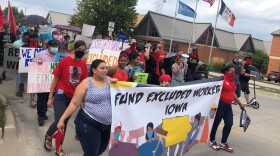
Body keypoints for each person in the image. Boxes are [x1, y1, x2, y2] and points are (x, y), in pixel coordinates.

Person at [57, 59, 117, 156]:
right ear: (94, 70)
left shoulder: (109, 81)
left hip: (106, 126)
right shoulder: (86, 83)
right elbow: (74, 103)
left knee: (99, 151)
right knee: (92, 153)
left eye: (106, 68)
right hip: (88, 124)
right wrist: (62, 119)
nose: (105, 70)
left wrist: (118, 84)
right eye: (102, 68)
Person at [44, 40, 88, 155]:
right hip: (60, 94)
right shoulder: (64, 61)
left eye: (84, 50)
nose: (81, 52)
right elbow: (55, 79)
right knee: (60, 121)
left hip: (73, 98)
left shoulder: (83, 64)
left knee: (65, 122)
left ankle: (59, 145)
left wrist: (82, 99)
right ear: (74, 49)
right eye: (79, 50)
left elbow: (84, 83)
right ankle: (50, 137)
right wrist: (50, 97)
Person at [209, 65, 245, 153]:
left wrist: (240, 104)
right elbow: (212, 90)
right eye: (231, 71)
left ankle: (223, 143)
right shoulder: (221, 80)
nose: (233, 73)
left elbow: (233, 93)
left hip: (228, 105)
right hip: (220, 104)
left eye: (234, 72)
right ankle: (211, 140)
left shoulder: (232, 81)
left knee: (229, 123)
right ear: (226, 72)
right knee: (216, 123)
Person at [33, 40, 59, 126]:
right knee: (41, 98)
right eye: (53, 46)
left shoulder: (59, 56)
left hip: (54, 81)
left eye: (56, 46)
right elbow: (33, 64)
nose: (55, 48)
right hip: (43, 81)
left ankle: (44, 113)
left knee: (49, 98)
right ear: (48, 47)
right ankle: (40, 116)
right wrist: (36, 62)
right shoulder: (41, 54)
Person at [18, 33, 40, 106]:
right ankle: (20, 95)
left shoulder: (39, 47)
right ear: (30, 39)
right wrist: (19, 57)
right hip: (25, 67)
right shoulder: (25, 46)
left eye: (36, 38)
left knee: (32, 83)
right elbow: (20, 54)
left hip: (34, 68)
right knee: (22, 82)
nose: (35, 40)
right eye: (34, 38)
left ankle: (32, 101)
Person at [13, 32, 30, 96]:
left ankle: (21, 88)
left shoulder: (30, 44)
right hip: (19, 62)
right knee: (18, 77)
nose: (27, 38)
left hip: (27, 64)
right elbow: (11, 50)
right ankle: (18, 90)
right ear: (23, 36)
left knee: (25, 77)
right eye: (26, 36)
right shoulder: (16, 43)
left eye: (28, 37)